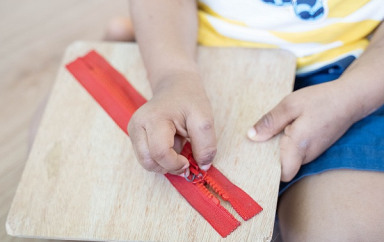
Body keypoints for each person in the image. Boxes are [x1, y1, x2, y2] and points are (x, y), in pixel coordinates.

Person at [106, 1, 384, 240]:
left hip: (359, 70)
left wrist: (351, 97)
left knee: (343, 232)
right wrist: (171, 75)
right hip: (204, 58)